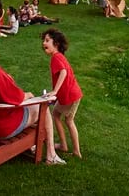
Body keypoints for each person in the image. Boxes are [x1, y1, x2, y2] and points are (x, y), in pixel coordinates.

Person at [0, 32, 65, 165]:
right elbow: (16, 98)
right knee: (43, 107)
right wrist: (29, 95)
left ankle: (32, 145)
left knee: (34, 108)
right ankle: (51, 155)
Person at [41, 28, 83, 159]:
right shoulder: (57, 57)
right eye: (43, 40)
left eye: (47, 40)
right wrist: (55, 96)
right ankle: (64, 145)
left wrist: (54, 91)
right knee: (56, 114)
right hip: (67, 95)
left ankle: (76, 151)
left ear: (56, 44)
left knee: (69, 121)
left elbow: (64, 72)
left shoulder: (56, 57)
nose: (44, 43)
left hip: (71, 95)